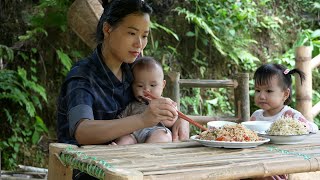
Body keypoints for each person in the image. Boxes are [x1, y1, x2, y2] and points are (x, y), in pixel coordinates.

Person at [114, 56, 176, 145]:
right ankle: (118, 150)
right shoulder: (132, 104)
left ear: (163, 84)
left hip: (156, 130)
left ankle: (147, 153)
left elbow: (170, 122)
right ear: (132, 86)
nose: (146, 90)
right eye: (140, 86)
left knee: (163, 136)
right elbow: (119, 121)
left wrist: (166, 113)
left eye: (153, 85)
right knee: (125, 139)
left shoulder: (165, 103)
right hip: (134, 133)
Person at [250, 63, 318, 133]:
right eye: (258, 90)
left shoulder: (291, 116)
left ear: (285, 94)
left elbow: (313, 128)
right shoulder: (256, 116)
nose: (261, 96)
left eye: (269, 91)